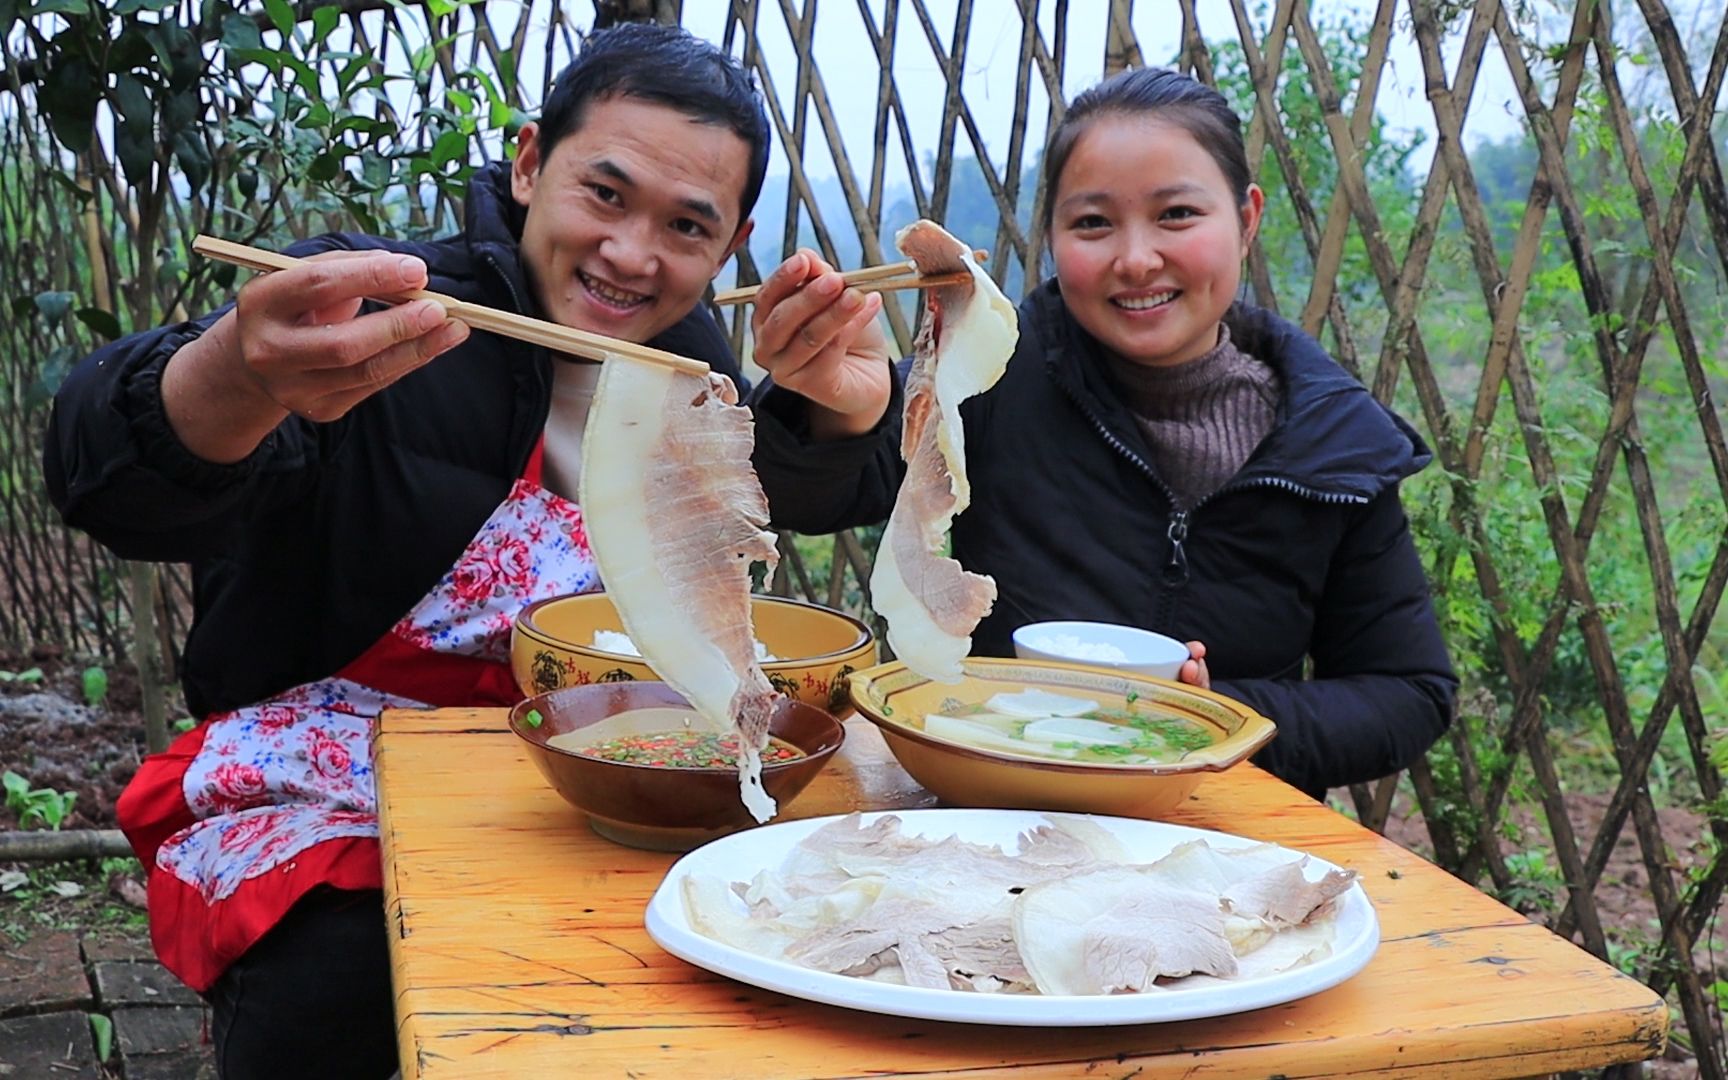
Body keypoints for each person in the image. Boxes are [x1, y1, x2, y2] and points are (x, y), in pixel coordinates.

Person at [44, 23, 897, 1080]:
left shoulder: (694, 373)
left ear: (732, 244)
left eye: (687, 225)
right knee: (349, 973)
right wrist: (235, 378)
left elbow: (800, 490)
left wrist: (845, 417)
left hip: (601, 768)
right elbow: (105, 476)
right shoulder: (380, 309)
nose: (634, 254)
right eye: (607, 194)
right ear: (532, 161)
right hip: (328, 777)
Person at [759, 65, 1457, 801]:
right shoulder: (992, 376)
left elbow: (1408, 693)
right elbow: (816, 496)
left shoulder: (1336, 443)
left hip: (1214, 835)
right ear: (1053, 236)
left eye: (1177, 215)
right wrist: (843, 405)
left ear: (1247, 219)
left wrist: (1212, 719)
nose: (1135, 259)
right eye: (1093, 222)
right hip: (991, 811)